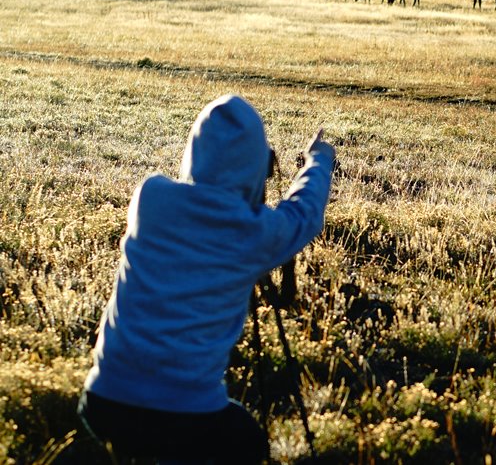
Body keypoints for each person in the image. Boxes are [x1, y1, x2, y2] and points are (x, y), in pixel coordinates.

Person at [77, 94, 336, 463]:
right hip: (184, 412)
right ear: (254, 163)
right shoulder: (254, 233)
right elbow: (303, 215)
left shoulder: (150, 197)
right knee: (245, 443)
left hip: (104, 399)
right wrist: (319, 160)